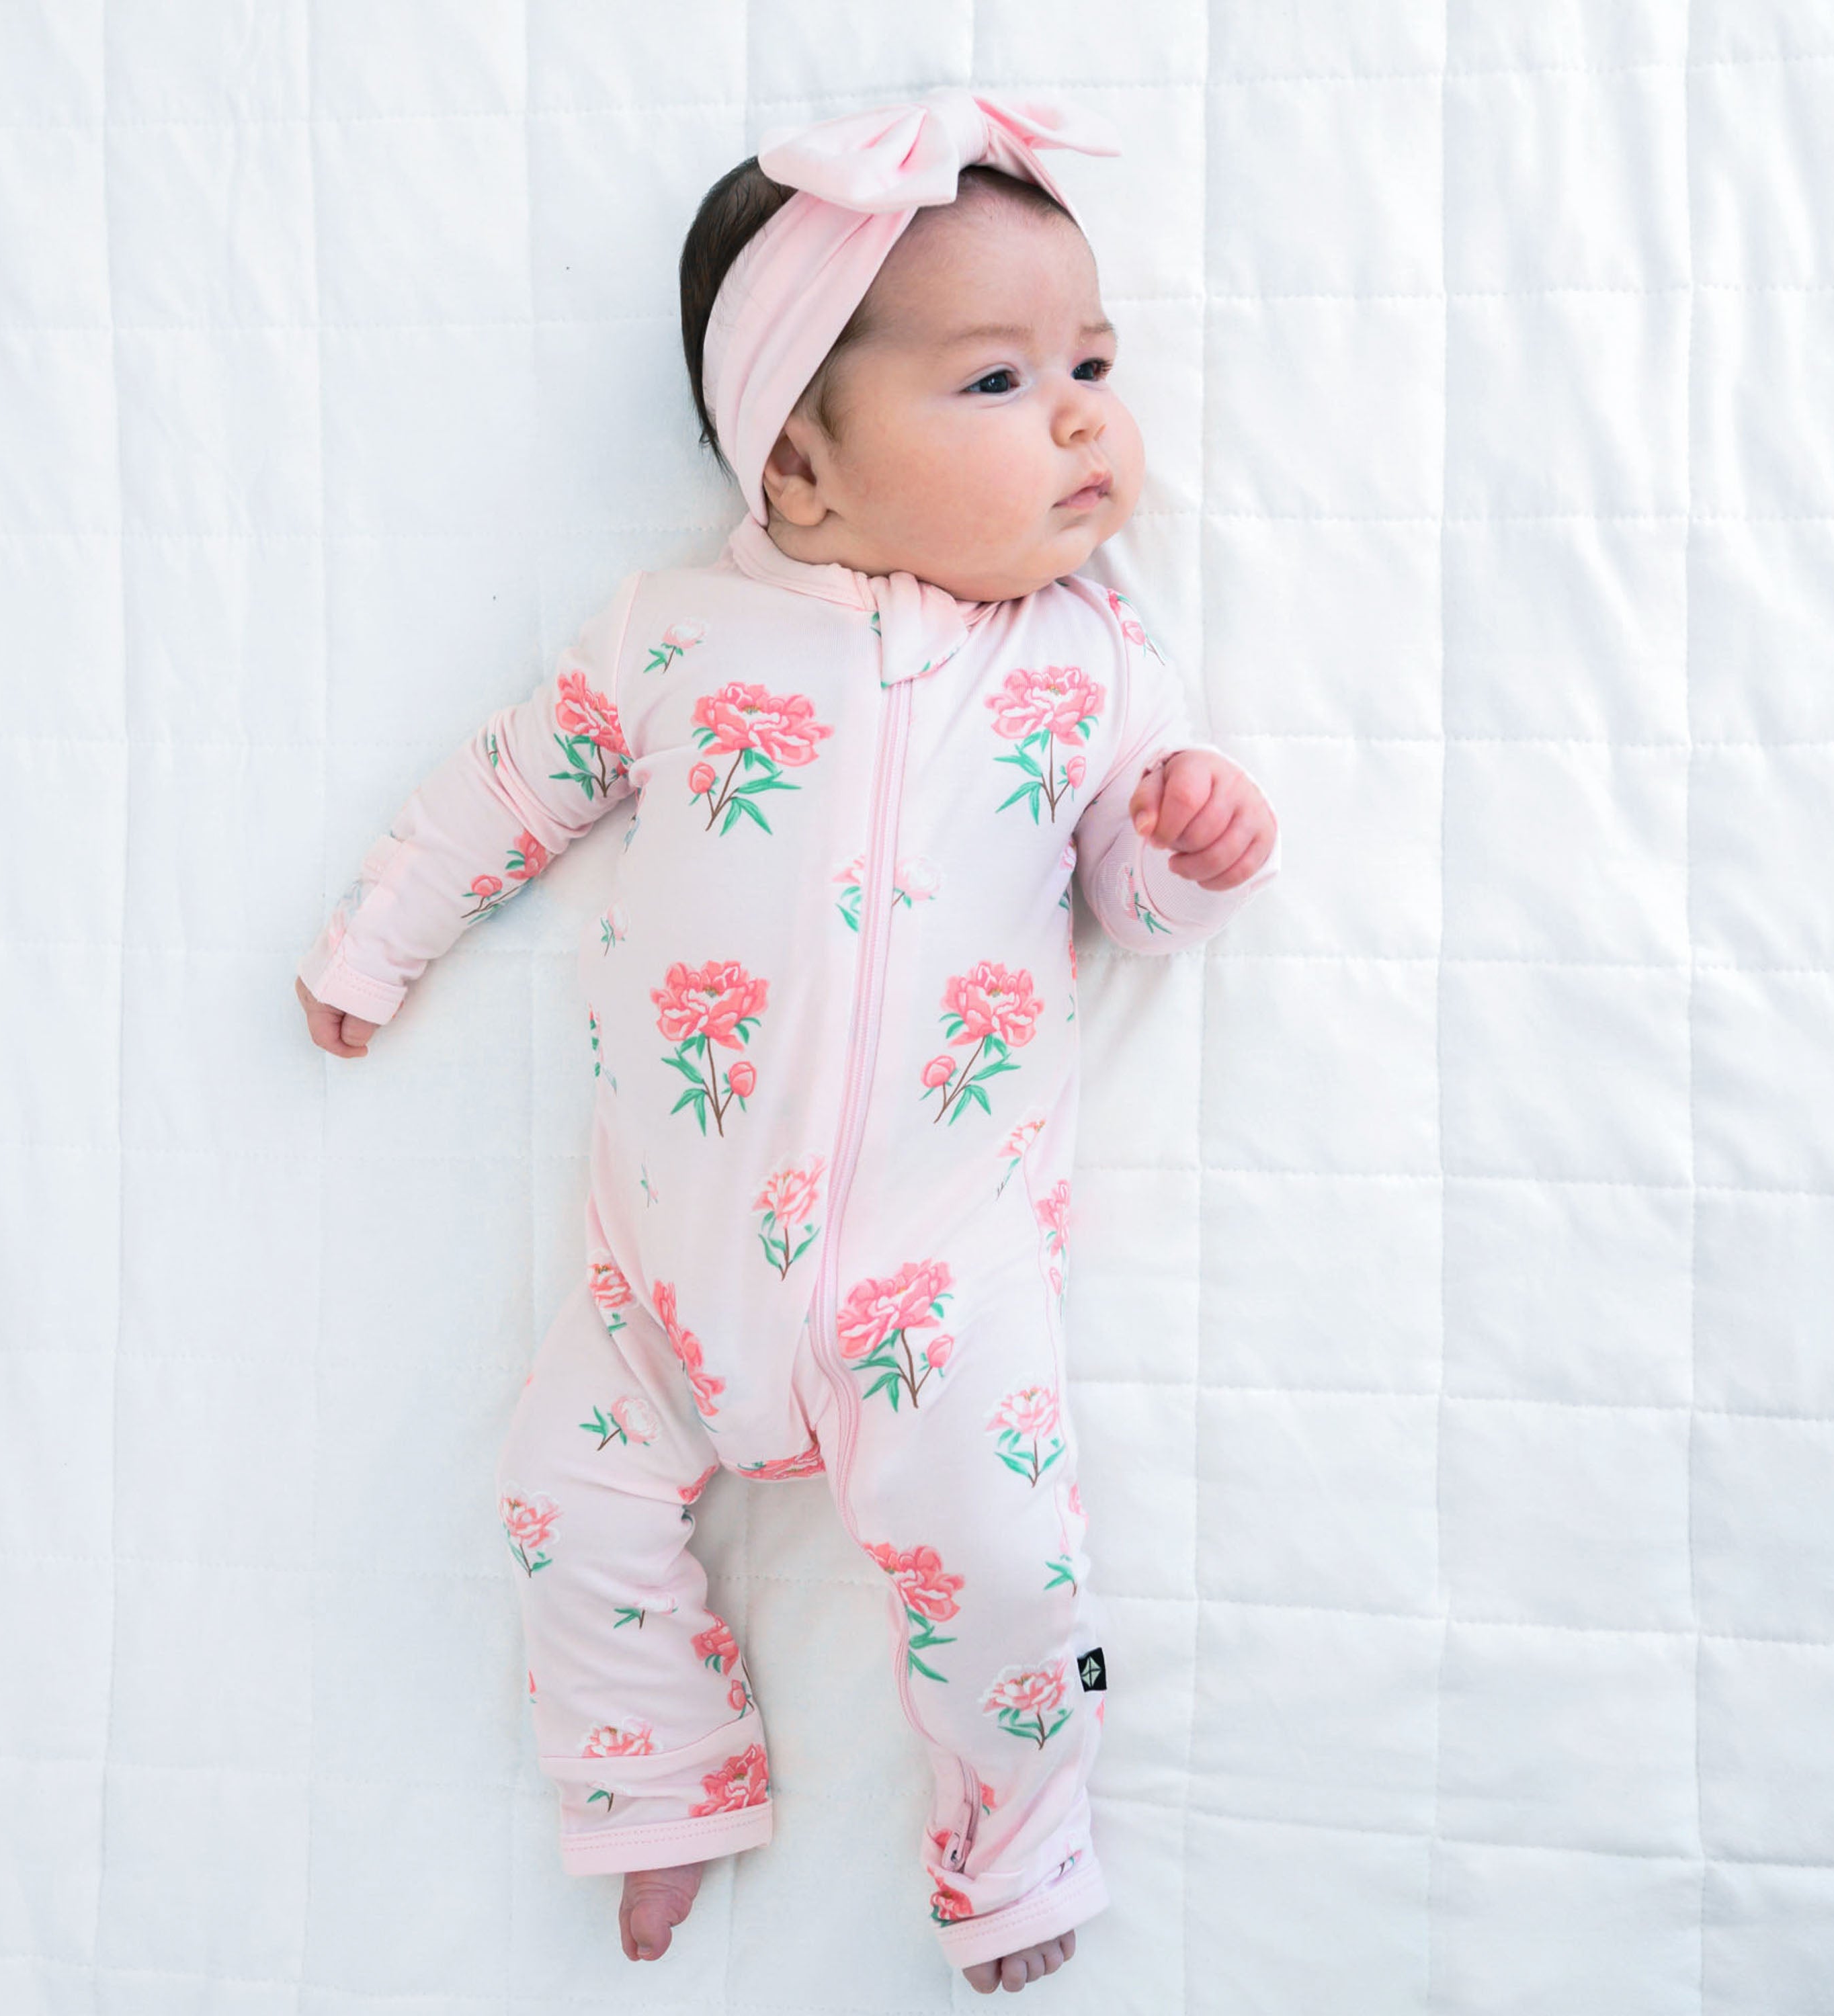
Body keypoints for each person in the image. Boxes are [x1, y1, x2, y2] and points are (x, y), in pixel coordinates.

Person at [294, 87, 1280, 1997]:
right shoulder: (674, 634)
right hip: (661, 1286)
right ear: (803, 470)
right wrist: (379, 935)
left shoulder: (1092, 665)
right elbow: (513, 788)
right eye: (996, 383)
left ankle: (1016, 1850)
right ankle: (659, 1782)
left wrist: (1187, 855)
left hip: (934, 1280)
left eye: (1091, 360)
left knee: (1008, 1568)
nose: (1084, 414)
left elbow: (1127, 913)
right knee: (557, 1501)